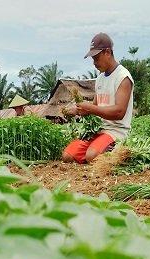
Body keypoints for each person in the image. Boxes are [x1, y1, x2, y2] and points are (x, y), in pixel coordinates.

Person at [62, 32, 134, 163]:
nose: (94, 63)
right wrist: (77, 110)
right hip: (99, 130)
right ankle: (98, 148)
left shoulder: (123, 77)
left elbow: (119, 112)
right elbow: (95, 108)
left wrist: (90, 108)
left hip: (116, 131)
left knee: (92, 156)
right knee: (67, 156)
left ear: (107, 52)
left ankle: (120, 151)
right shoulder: (100, 78)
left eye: (96, 58)